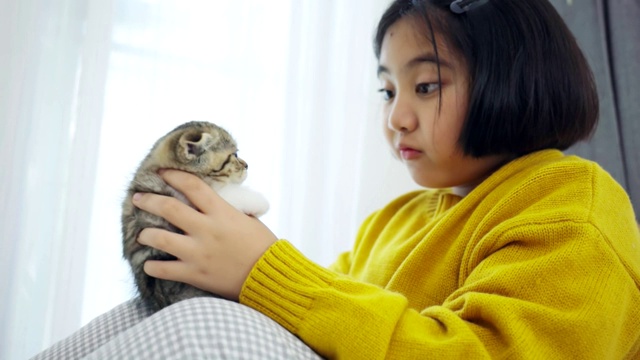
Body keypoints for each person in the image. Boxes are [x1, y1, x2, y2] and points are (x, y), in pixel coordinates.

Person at [33, 0, 640, 359]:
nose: (396, 115)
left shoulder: (570, 204)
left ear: (517, 77)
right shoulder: (393, 222)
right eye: (387, 89)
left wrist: (262, 272)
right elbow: (318, 328)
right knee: (143, 315)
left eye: (425, 86)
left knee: (199, 326)